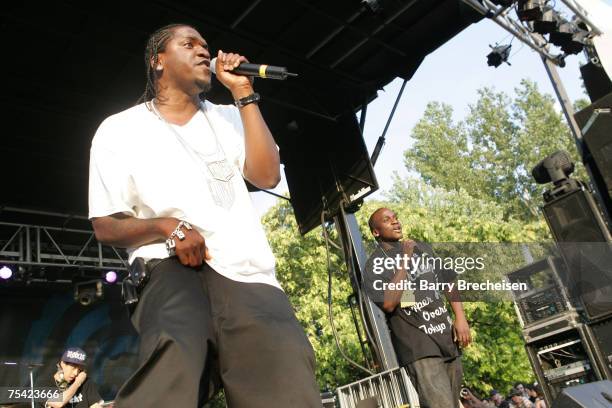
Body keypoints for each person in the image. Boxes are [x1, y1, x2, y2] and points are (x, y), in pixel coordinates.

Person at [88, 23, 321, 407]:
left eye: (205, 46)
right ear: (157, 61)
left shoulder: (230, 116)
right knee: (175, 362)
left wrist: (245, 93)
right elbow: (105, 225)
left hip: (248, 274)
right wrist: (167, 225)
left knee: (287, 382)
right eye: (189, 44)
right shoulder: (119, 130)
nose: (203, 51)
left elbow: (266, 174)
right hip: (170, 268)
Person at [363, 207, 472, 408]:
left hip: (446, 337)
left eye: (396, 217)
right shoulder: (374, 266)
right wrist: (405, 257)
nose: (396, 222)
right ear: (376, 232)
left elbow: (448, 281)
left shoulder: (422, 248)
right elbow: (389, 303)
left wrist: (460, 318)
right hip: (419, 346)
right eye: (388, 220)